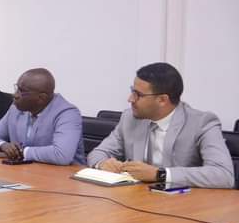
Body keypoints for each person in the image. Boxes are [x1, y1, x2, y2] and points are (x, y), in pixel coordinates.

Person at [87, 62, 234, 188]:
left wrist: (160, 174)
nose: (130, 99)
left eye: (138, 95)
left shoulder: (202, 123)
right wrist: (103, 163)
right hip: (136, 198)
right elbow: (97, 153)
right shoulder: (129, 118)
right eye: (132, 91)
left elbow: (223, 175)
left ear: (162, 100)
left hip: (182, 203)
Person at [0, 68, 85, 165]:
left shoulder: (67, 114)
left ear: (41, 98)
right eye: (17, 88)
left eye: (22, 91)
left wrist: (21, 152)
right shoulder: (16, 109)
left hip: (64, 177)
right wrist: (2, 146)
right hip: (25, 173)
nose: (15, 95)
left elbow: (61, 155)